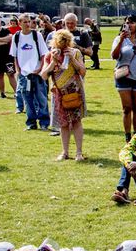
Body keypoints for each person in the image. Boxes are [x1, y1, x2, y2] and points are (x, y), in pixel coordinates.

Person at [41, 28, 86, 161]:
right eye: (61, 42)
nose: (63, 45)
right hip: (58, 93)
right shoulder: (50, 55)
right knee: (63, 124)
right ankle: (65, 152)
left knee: (76, 122)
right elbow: (43, 75)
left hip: (74, 92)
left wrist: (72, 58)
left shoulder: (76, 53)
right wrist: (53, 62)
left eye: (66, 42)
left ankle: (79, 152)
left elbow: (83, 71)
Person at [11, 14, 51, 132]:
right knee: (27, 99)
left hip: (37, 72)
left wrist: (40, 69)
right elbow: (15, 55)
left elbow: (44, 54)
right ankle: (31, 122)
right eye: (25, 22)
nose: (27, 24)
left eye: (29, 22)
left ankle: (44, 122)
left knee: (41, 98)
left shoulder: (36, 35)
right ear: (20, 23)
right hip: (24, 74)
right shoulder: (16, 37)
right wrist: (18, 70)